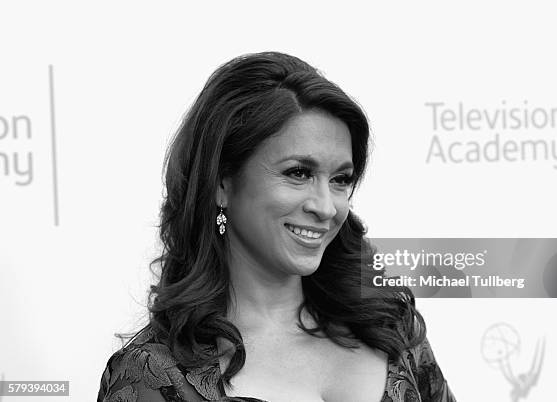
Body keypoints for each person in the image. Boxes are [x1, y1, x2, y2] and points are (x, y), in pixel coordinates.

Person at [97, 51, 456, 402]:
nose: (325, 207)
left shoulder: (392, 326)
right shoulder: (153, 376)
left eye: (340, 179)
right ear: (222, 182)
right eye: (298, 173)